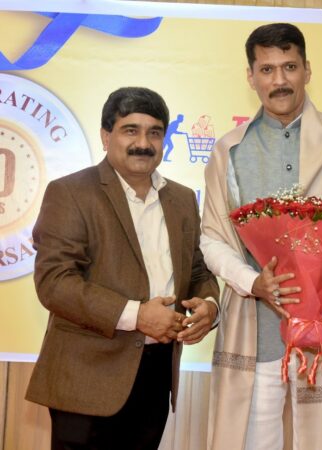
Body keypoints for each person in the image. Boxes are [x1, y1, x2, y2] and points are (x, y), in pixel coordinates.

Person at [201, 23, 322, 450]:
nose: (279, 80)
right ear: (250, 77)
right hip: (254, 332)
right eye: (267, 69)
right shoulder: (230, 151)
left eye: (289, 67)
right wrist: (253, 283)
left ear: (307, 70)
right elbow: (211, 238)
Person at [26, 87, 220, 450]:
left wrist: (209, 306)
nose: (143, 143)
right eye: (131, 130)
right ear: (105, 136)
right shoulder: (71, 193)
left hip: (156, 373)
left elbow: (197, 271)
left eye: (154, 132)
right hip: (86, 378)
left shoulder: (181, 199)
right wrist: (137, 315)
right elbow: (55, 282)